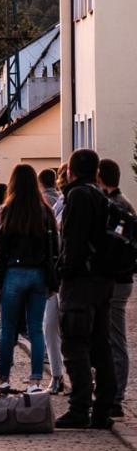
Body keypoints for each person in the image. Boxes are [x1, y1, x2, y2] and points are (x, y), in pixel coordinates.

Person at [57, 146, 118, 429]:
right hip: (104, 280)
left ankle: (80, 408)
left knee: (75, 344)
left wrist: (63, 272)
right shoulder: (102, 197)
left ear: (70, 171)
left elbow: (73, 243)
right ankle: (104, 408)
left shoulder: (78, 196)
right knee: (101, 345)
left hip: (80, 281)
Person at [0, 162, 58, 391]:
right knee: (35, 329)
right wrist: (52, 279)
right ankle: (36, 380)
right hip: (38, 274)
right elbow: (52, 248)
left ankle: (4, 379)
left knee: (8, 329)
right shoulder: (45, 211)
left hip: (13, 273)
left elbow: (1, 250)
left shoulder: (7, 210)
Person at [98, 159, 136, 418]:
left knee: (115, 339)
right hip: (122, 278)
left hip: (117, 280)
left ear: (101, 178)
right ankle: (113, 393)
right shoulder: (125, 205)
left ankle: (117, 396)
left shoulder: (115, 207)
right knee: (112, 338)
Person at [40, 166, 67, 393]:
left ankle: (75, 377)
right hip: (53, 274)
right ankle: (57, 375)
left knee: (58, 327)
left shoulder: (57, 205)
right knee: (49, 327)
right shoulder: (56, 205)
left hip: (67, 275)